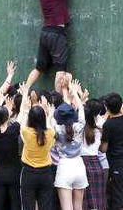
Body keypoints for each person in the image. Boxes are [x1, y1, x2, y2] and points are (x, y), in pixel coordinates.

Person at [17, 83, 56, 210]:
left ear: (31, 119)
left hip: (29, 173)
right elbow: (50, 123)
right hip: (45, 173)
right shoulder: (50, 133)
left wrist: (25, 101)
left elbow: (22, 118)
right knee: (45, 206)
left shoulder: (26, 132)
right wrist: (48, 113)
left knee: (28, 206)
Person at [53, 80, 88, 210]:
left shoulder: (56, 129)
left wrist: (63, 91)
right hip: (79, 166)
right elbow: (82, 109)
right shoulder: (79, 126)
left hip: (64, 167)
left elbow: (51, 116)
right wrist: (74, 92)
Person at [0, 99, 21, 210]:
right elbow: (22, 115)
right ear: (8, 117)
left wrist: (1, 103)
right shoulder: (13, 130)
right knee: (15, 204)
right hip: (14, 174)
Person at [81, 99, 106, 210]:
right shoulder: (100, 129)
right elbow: (102, 149)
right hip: (97, 164)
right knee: (97, 201)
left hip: (82, 164)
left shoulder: (79, 129)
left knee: (83, 202)